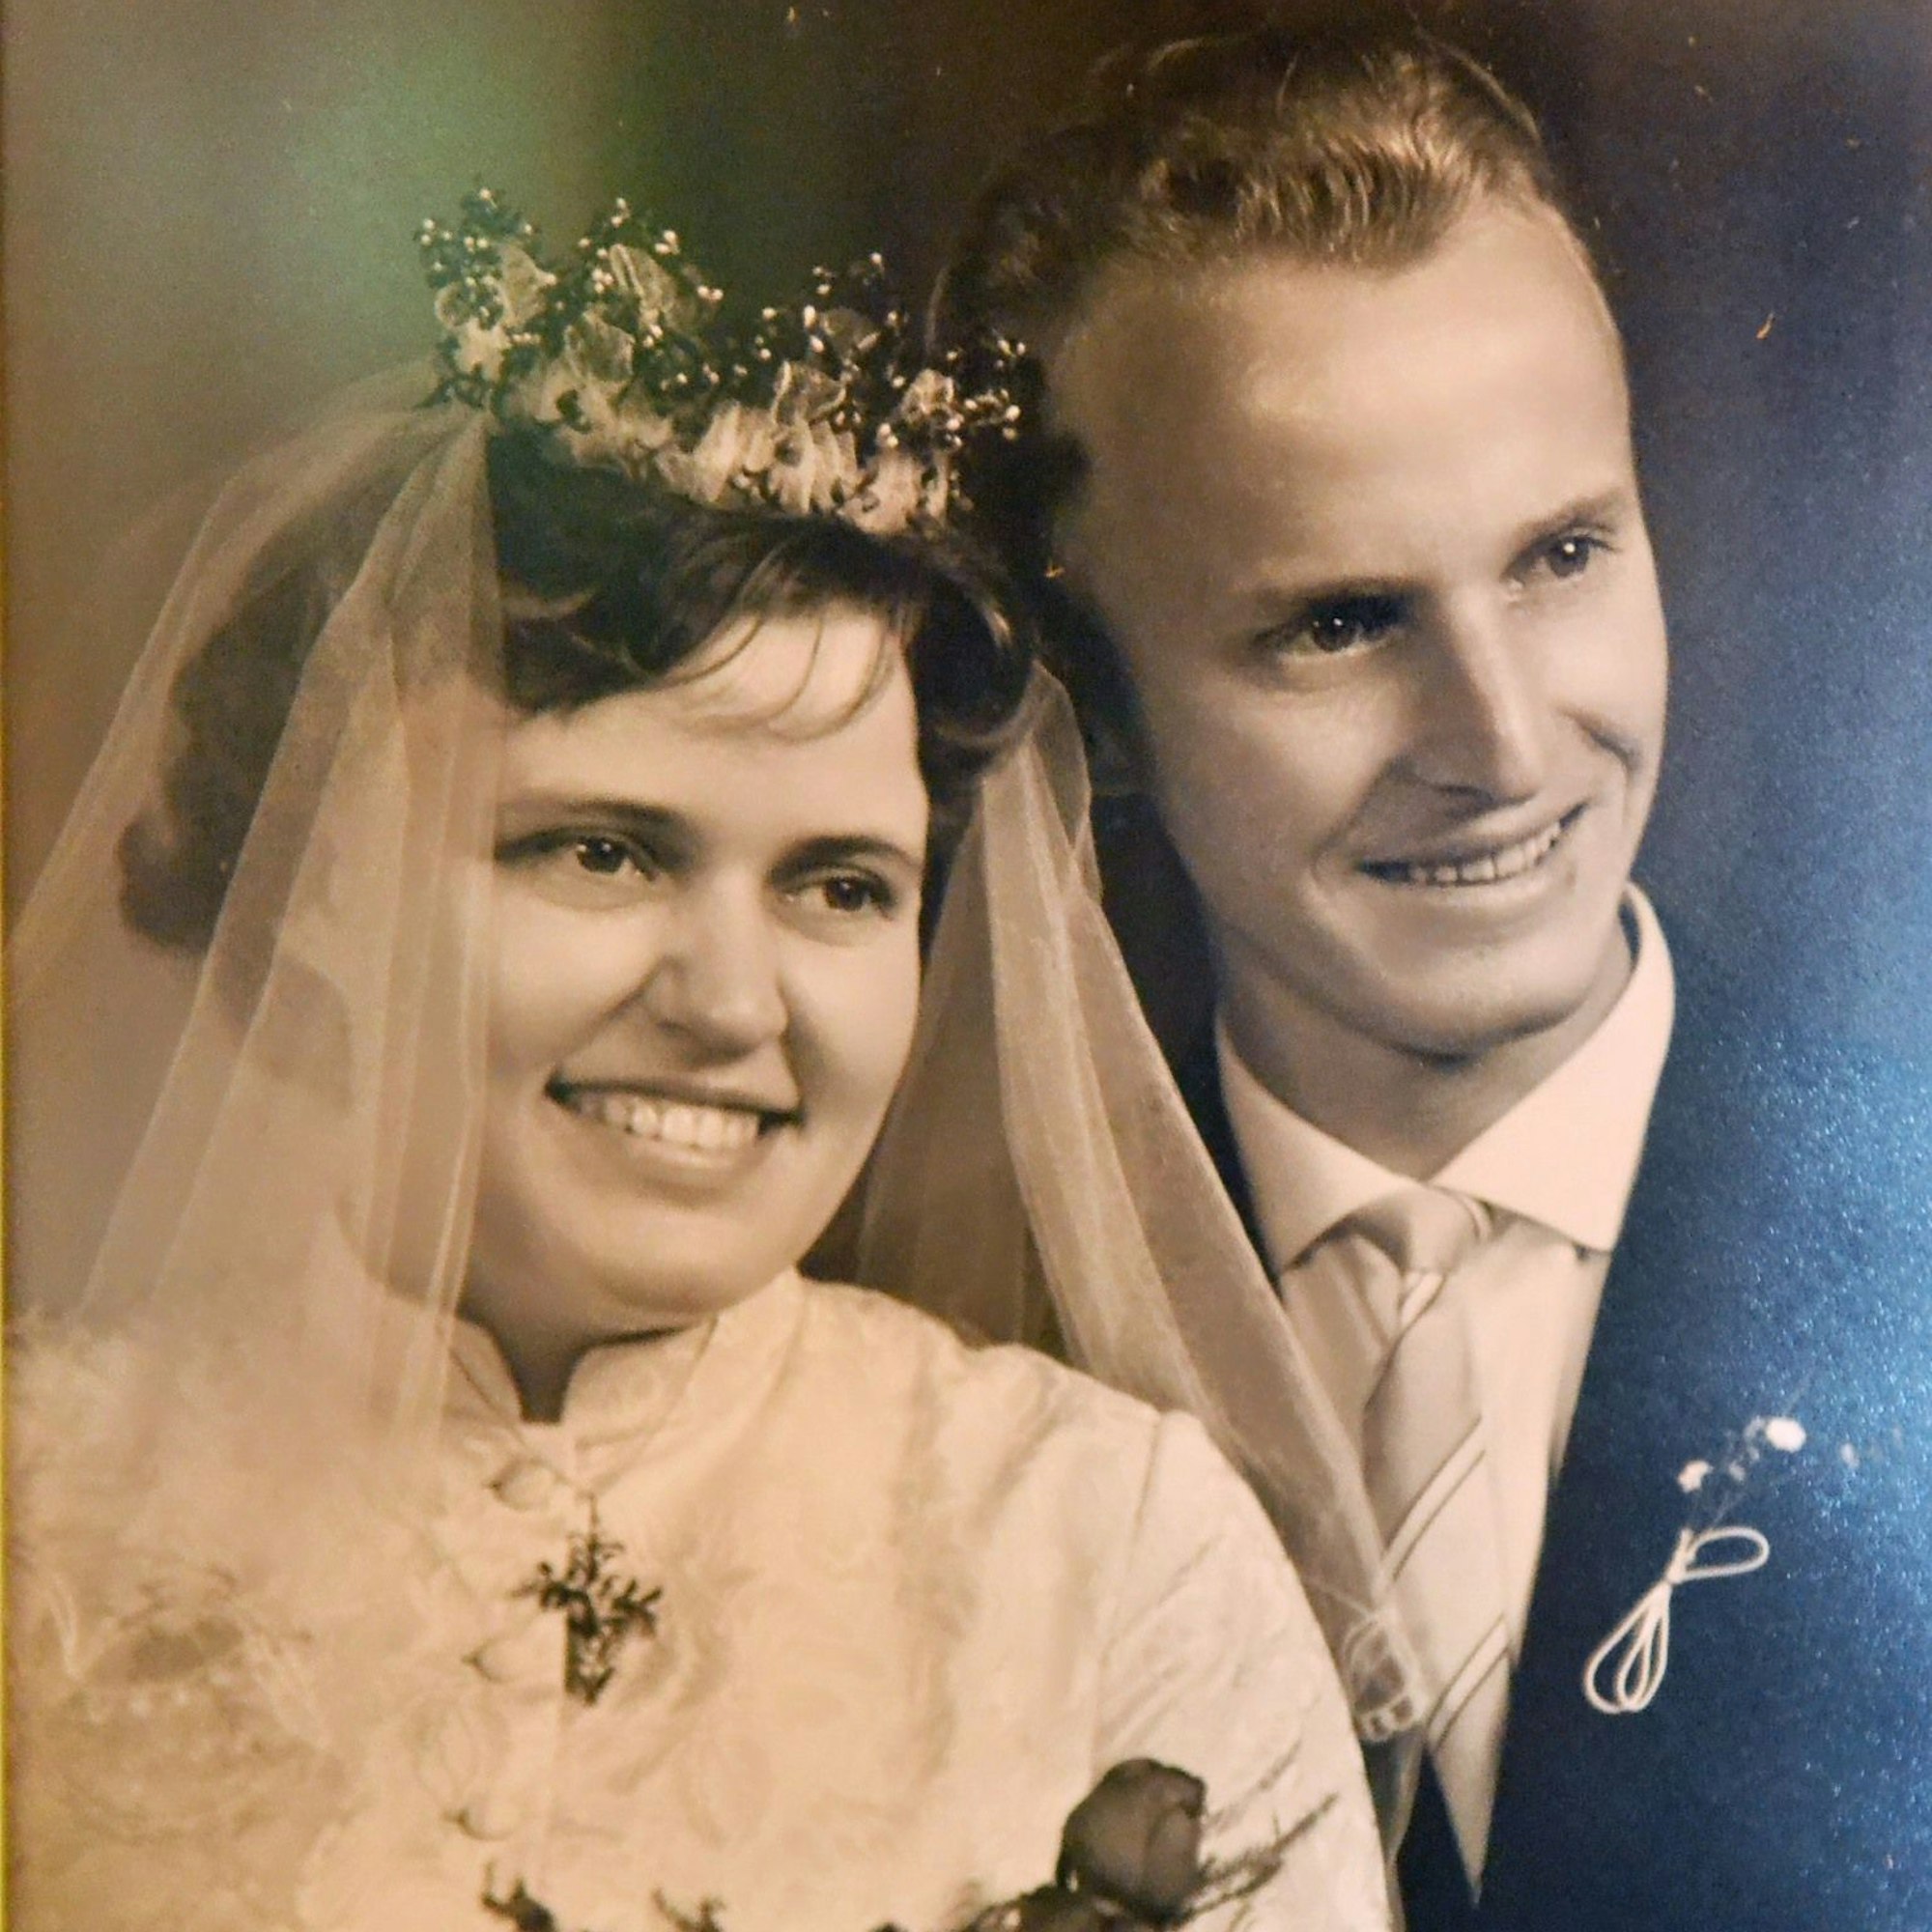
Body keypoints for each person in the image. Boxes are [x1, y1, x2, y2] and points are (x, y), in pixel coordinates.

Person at [5, 195, 1387, 1932]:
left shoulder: (1105, 1549)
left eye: (837, 886)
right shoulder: (39, 1505)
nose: (735, 1003)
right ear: (326, 879)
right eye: (603, 851)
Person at [919, 23, 1932, 1930]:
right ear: (1092, 706)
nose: (1501, 735)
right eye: (1340, 620)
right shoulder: (949, 1365)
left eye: (1560, 556)